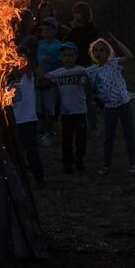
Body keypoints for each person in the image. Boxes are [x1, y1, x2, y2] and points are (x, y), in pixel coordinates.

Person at [85, 34, 135, 174]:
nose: (98, 53)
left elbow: (129, 56)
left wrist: (116, 41)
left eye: (102, 50)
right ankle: (106, 166)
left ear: (108, 52)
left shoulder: (114, 63)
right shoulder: (92, 70)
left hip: (124, 104)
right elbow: (75, 72)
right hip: (109, 108)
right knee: (109, 137)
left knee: (129, 134)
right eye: (95, 50)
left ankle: (133, 164)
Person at [45, 42, 88, 174]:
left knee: (80, 139)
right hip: (66, 112)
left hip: (79, 110)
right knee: (66, 139)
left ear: (76, 56)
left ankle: (79, 159)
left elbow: (86, 83)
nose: (68, 58)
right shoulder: (58, 72)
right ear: (61, 57)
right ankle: (68, 163)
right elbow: (44, 77)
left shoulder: (81, 71)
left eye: (70, 55)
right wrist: (42, 62)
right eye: (65, 55)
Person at [63, 2, 99, 134]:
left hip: (88, 65)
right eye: (75, 12)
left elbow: (89, 44)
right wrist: (72, 29)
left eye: (78, 12)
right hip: (75, 65)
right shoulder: (74, 30)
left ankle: (93, 126)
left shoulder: (90, 29)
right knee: (76, 97)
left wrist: (75, 29)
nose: (76, 15)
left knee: (88, 98)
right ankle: (80, 125)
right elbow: (66, 43)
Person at [10, 61, 45, 188]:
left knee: (31, 151)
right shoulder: (5, 83)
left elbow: (28, 65)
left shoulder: (27, 78)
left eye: (18, 66)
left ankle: (39, 178)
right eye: (13, 67)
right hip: (13, 123)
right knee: (16, 152)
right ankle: (20, 179)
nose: (16, 69)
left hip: (28, 121)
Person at [35, 18, 63, 147]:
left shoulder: (58, 46)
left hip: (51, 81)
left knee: (49, 108)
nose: (46, 32)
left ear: (54, 30)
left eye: (49, 29)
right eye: (44, 29)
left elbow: (61, 63)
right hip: (39, 80)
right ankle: (42, 131)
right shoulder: (39, 44)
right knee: (39, 107)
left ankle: (51, 132)